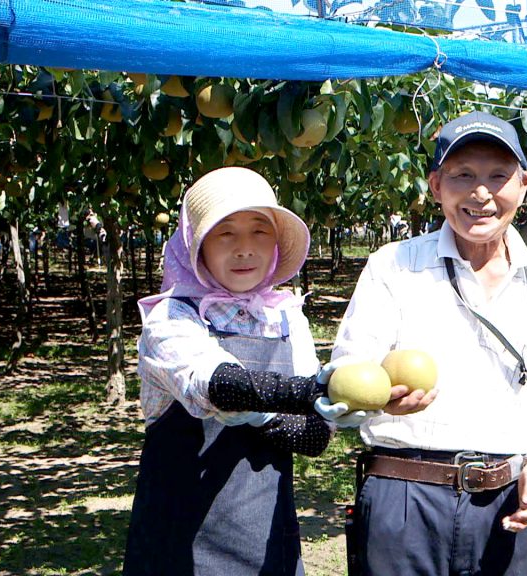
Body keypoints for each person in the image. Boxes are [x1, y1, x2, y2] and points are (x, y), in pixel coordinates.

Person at [329, 111, 527, 575]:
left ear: (523, 184)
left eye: (498, 176)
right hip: (405, 495)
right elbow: (349, 368)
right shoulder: (395, 266)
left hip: (504, 500)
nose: (481, 193)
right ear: (435, 186)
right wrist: (381, 399)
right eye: (462, 175)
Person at [124, 167, 370, 575]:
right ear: (196, 245)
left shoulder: (286, 317)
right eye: (224, 233)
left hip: (265, 536)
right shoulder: (170, 317)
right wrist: (311, 391)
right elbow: (218, 383)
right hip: (180, 539)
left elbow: (311, 438)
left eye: (259, 231)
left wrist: (323, 413)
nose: (244, 248)